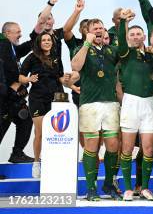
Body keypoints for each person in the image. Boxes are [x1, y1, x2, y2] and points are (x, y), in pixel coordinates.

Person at [70, 18, 121, 201]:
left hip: (110, 103)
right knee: (91, 145)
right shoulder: (81, 48)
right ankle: (91, 188)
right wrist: (87, 42)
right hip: (90, 103)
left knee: (113, 145)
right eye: (95, 28)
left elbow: (123, 57)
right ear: (88, 31)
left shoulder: (110, 50)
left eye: (101, 27)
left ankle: (109, 184)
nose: (99, 30)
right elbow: (75, 66)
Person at [116, 9, 153, 201]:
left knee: (149, 149)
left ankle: (144, 188)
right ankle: (127, 188)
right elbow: (121, 39)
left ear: (144, 36)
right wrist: (124, 21)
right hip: (131, 102)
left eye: (138, 34)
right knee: (127, 148)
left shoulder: (152, 56)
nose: (135, 37)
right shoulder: (125, 53)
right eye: (131, 34)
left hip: (149, 103)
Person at [18, 32, 70, 177]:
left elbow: (60, 78)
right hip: (37, 99)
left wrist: (66, 80)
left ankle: (54, 162)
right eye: (44, 40)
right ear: (39, 43)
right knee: (40, 133)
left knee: (57, 134)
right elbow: (20, 77)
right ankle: (36, 163)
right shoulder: (32, 57)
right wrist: (29, 79)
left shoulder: (56, 57)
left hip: (56, 99)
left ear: (52, 42)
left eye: (49, 40)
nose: (47, 42)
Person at [0, 22, 34, 164]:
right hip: (4, 98)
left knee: (25, 119)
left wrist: (38, 35)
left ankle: (17, 153)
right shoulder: (3, 45)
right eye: (17, 32)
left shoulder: (11, 48)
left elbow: (24, 48)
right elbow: (8, 69)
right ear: (7, 33)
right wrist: (18, 82)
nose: (20, 34)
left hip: (13, 99)